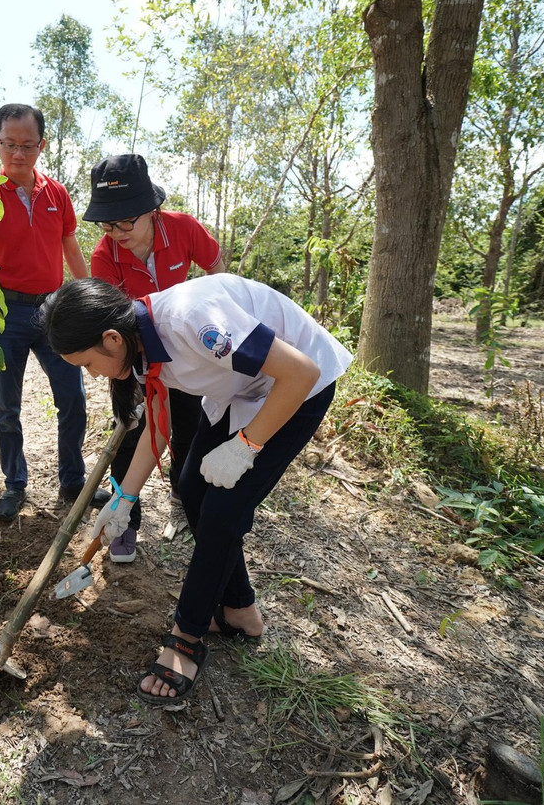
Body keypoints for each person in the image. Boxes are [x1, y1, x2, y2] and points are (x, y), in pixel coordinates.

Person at [42, 275, 352, 703]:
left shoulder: (194, 322)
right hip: (243, 387)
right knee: (191, 486)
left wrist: (246, 446)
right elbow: (157, 422)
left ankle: (186, 635)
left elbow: (301, 372)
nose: (92, 375)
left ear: (111, 339)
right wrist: (124, 499)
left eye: (87, 365)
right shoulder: (140, 344)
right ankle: (240, 610)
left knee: (224, 511)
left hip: (295, 388)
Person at [0, 103, 108, 521]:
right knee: (8, 407)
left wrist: (89, 294)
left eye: (28, 145)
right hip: (5, 313)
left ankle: (73, 480)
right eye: (10, 144)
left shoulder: (56, 192)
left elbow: (70, 244)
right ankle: (15, 484)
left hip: (55, 309)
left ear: (42, 145)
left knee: (72, 398)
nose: (18, 154)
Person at [83, 154, 226, 563]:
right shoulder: (103, 257)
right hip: (132, 354)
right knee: (131, 432)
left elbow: (218, 273)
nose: (117, 232)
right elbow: (115, 329)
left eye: (125, 221)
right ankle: (125, 521)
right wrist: (139, 376)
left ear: (152, 210)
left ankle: (183, 496)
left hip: (187, 353)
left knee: (187, 426)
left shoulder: (183, 229)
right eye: (108, 224)